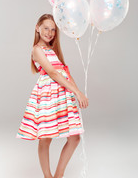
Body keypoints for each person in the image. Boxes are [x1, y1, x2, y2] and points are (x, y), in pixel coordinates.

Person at [16, 14, 89, 178]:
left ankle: (58, 175)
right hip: (48, 96)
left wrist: (77, 92)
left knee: (74, 138)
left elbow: (65, 73)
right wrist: (76, 91)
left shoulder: (53, 50)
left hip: (62, 95)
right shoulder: (37, 50)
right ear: (37, 28)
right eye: (46, 28)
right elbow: (53, 73)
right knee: (46, 137)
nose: (49, 33)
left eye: (53, 30)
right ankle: (48, 176)